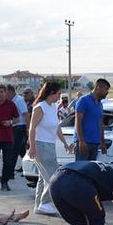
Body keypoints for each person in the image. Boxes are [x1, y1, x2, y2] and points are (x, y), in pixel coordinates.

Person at [29, 82, 72, 216]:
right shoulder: (40, 107)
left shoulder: (53, 107)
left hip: (50, 145)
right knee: (53, 176)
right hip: (40, 145)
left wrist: (65, 144)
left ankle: (39, 205)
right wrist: (32, 147)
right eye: (58, 94)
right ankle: (45, 203)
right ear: (51, 93)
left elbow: (57, 127)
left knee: (43, 177)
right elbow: (32, 128)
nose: (59, 97)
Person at [74, 79, 110, 161]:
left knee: (91, 171)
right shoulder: (84, 100)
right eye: (106, 89)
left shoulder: (100, 104)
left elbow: (101, 125)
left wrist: (103, 142)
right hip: (85, 143)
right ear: (98, 87)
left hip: (95, 143)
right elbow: (78, 122)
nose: (107, 92)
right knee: (81, 170)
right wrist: (81, 141)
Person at [7, 85, 29, 171]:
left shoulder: (19, 100)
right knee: (20, 149)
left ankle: (10, 170)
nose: (6, 95)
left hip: (20, 126)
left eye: (7, 93)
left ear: (11, 92)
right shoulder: (12, 100)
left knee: (14, 149)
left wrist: (28, 128)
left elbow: (26, 114)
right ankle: (26, 166)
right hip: (14, 126)